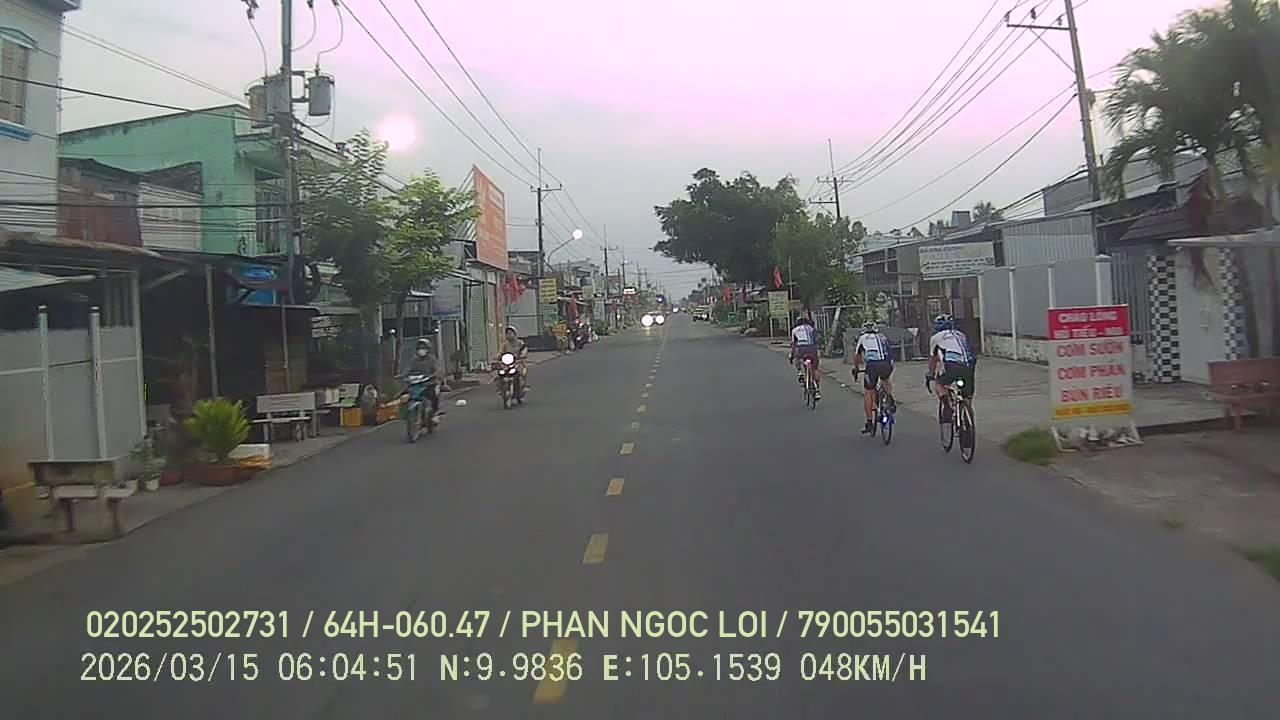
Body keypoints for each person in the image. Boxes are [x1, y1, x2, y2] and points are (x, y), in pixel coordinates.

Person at [926, 313, 977, 422]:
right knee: (967, 397)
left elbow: (932, 359)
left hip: (953, 364)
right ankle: (968, 420)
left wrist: (931, 373)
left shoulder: (935, 338)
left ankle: (947, 406)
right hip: (970, 364)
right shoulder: (961, 334)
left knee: (939, 384)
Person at [852, 321, 895, 435]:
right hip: (886, 364)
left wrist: (856, 368)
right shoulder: (882, 337)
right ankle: (889, 398)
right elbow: (890, 352)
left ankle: (869, 422)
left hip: (872, 366)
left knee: (868, 392)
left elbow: (857, 356)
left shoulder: (862, 338)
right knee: (885, 379)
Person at [405, 338, 440, 418]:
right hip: (416, 384)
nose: (421, 350)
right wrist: (403, 376)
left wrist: (434, 375)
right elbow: (408, 369)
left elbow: (437, 369)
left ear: (427, 349)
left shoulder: (432, 359)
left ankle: (434, 412)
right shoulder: (414, 360)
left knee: (433, 395)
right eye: (419, 348)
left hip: (429, 383)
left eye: (423, 348)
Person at [789, 316, 820, 399]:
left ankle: (800, 372)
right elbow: (816, 341)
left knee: (797, 357)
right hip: (812, 349)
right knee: (815, 369)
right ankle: (817, 390)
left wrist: (791, 356)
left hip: (802, 349)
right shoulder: (812, 329)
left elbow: (794, 344)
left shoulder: (795, 330)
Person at [497, 325, 530, 392]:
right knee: (501, 372)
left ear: (514, 334)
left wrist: (523, 355)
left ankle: (523, 385)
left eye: (510, 333)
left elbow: (524, 349)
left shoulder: (520, 342)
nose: (509, 335)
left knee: (522, 371)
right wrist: (498, 356)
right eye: (507, 333)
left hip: (518, 361)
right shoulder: (504, 345)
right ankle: (500, 387)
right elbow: (500, 352)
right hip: (507, 363)